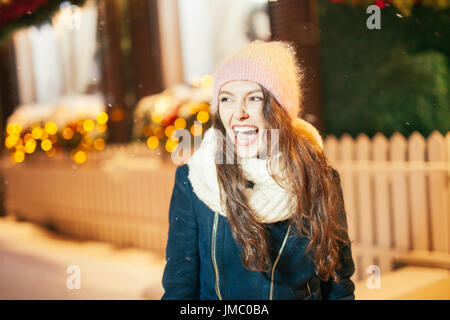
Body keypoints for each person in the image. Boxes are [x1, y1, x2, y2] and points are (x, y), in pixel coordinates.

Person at [161, 40, 355, 300]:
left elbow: (338, 284)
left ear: (280, 111)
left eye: (254, 98)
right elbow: (179, 286)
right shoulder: (195, 180)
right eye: (227, 99)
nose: (238, 113)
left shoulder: (319, 177)